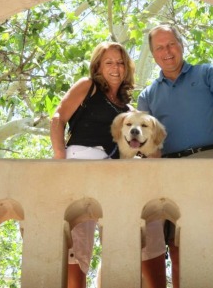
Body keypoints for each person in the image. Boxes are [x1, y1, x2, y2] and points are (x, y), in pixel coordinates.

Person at [137, 25, 213, 288]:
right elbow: (146, 142)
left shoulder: (208, 73)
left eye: (171, 44)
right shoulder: (148, 96)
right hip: (172, 172)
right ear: (153, 55)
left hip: (212, 161)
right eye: (160, 47)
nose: (167, 51)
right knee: (177, 244)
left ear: (181, 44)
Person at [50, 41, 135, 288]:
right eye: (109, 62)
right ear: (98, 65)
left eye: (120, 62)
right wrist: (59, 158)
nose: (115, 68)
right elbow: (58, 118)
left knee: (118, 241)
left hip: (110, 175)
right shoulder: (88, 87)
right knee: (77, 242)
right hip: (77, 165)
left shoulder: (128, 109)